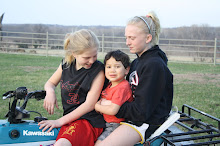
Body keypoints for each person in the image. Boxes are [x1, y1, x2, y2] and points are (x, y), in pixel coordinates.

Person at [97, 11, 173, 146]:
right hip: (131, 118)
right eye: (126, 38)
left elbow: (142, 112)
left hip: (146, 123)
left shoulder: (154, 65)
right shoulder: (138, 61)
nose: (127, 43)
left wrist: (112, 105)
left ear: (148, 38)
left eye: (132, 38)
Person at [38, 29, 106, 146]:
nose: (91, 60)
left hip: (89, 122)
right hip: (70, 120)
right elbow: (50, 83)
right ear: (74, 53)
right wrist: (50, 92)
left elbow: (89, 105)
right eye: (86, 57)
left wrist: (59, 121)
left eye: (94, 56)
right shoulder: (66, 64)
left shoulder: (98, 70)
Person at [94, 50, 133, 145]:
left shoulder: (122, 87)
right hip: (106, 123)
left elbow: (112, 110)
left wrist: (97, 106)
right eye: (109, 67)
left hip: (116, 125)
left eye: (117, 66)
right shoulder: (110, 84)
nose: (112, 70)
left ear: (127, 70)